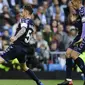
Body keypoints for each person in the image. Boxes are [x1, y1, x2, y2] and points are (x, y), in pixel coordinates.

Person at [0, 4, 44, 85]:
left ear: (26, 12)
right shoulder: (31, 23)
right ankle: (39, 82)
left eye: (23, 11)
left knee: (1, 59)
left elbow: (23, 29)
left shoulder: (24, 20)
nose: (22, 12)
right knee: (24, 67)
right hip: (24, 49)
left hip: (17, 46)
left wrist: (15, 37)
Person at [57, 0, 85, 85]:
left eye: (73, 2)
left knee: (73, 55)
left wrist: (82, 37)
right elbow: (76, 22)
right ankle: (68, 80)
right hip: (79, 35)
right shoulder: (78, 11)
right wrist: (73, 18)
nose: (72, 4)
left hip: (83, 36)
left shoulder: (83, 10)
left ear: (79, 1)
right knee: (68, 53)